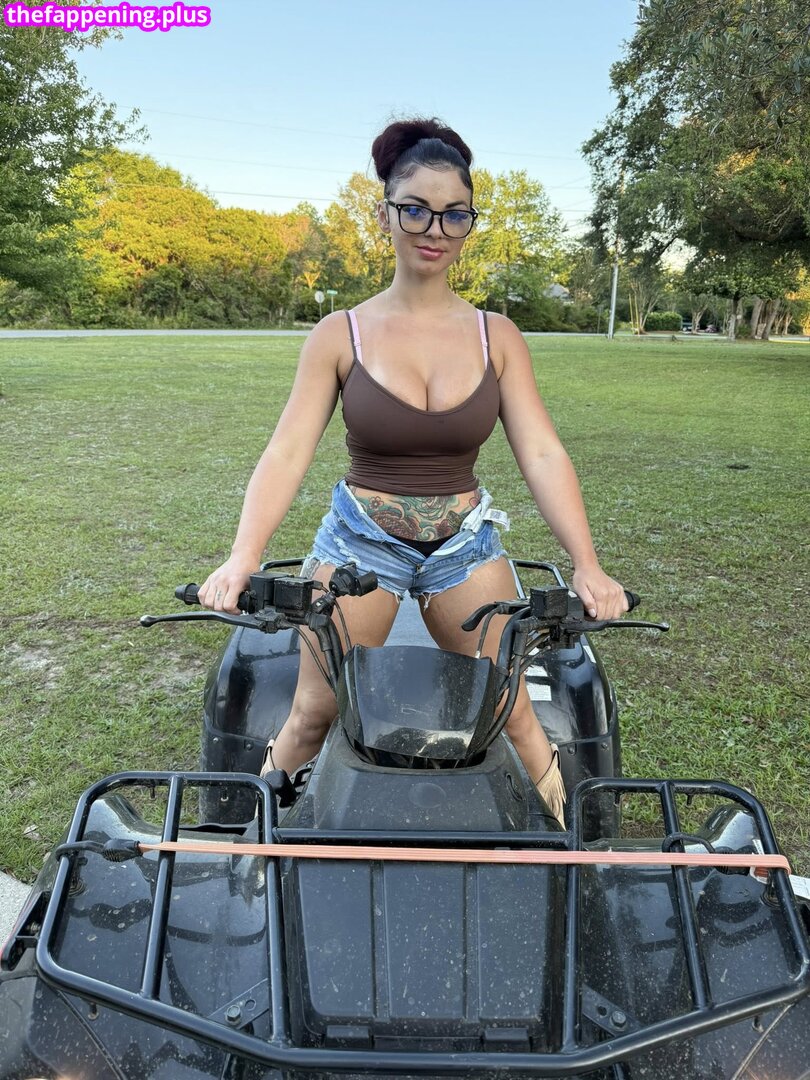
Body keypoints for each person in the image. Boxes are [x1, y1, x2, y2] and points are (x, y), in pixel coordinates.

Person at [198, 117, 628, 826]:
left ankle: (581, 857)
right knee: (313, 713)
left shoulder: (497, 337)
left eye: (455, 213)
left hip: (465, 545)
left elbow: (543, 452)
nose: (435, 229)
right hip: (359, 544)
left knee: (515, 714)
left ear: (469, 224)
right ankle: (248, 853)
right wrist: (243, 557)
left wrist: (588, 564)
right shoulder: (339, 334)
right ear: (385, 215)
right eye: (416, 210)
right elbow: (286, 451)